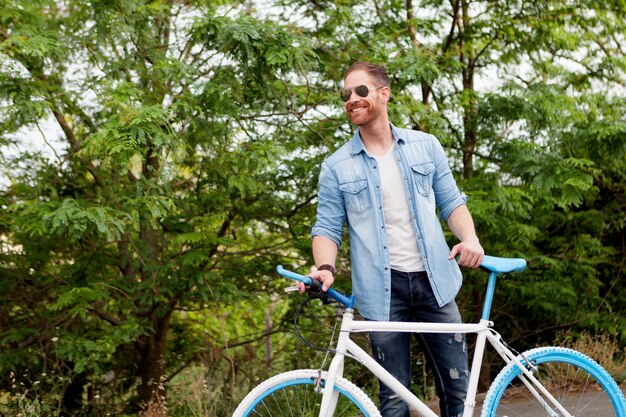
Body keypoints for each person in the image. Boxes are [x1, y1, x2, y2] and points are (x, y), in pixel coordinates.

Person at [303, 61, 484, 417]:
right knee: (394, 401)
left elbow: (452, 203)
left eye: (360, 91)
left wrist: (471, 239)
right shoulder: (336, 166)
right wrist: (323, 267)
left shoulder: (425, 146)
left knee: (457, 391)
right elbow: (326, 227)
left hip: (436, 282)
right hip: (381, 293)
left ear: (384, 94)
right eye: (345, 94)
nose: (351, 99)